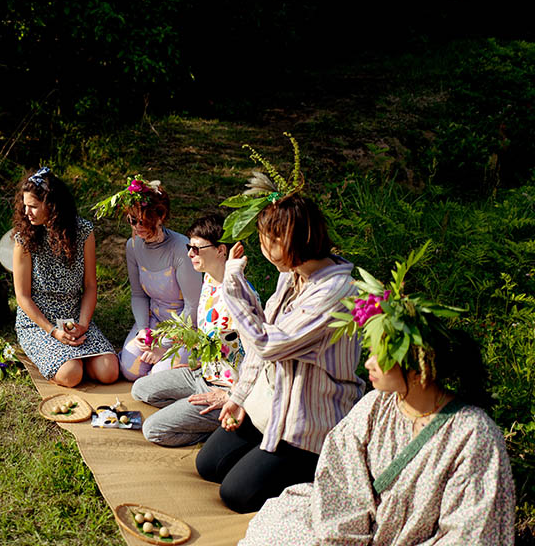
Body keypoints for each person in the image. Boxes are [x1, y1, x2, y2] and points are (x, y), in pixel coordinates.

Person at [238, 271, 515, 545]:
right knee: (276, 522)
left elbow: (470, 531)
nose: (368, 363)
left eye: (380, 356)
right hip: (355, 533)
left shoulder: (473, 435)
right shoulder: (375, 405)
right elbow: (339, 479)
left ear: (419, 368)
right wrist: (347, 538)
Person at [195, 194, 364, 513]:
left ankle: (312, 465)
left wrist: (231, 284)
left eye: (267, 240)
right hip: (271, 403)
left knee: (235, 494)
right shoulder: (294, 273)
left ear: (290, 241)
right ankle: (263, 452)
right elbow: (264, 323)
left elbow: (268, 344)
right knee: (208, 465)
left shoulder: (336, 292)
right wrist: (240, 396)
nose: (262, 247)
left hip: (307, 420)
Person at [131, 214, 246, 446]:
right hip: (201, 373)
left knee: (153, 430)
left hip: (226, 388)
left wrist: (232, 396)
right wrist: (195, 362)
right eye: (189, 247)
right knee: (140, 389)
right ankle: (189, 411)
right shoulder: (209, 281)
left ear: (221, 251)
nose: (190, 253)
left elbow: (258, 357)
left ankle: (219, 429)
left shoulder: (240, 297)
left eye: (197, 248)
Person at [13, 167, 119, 387]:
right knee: (71, 375)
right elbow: (22, 297)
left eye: (33, 206)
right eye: (25, 205)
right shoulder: (24, 239)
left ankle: (78, 361)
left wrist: (83, 324)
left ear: (51, 206)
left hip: (74, 318)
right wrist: (52, 332)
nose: (27, 212)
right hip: (39, 323)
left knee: (109, 372)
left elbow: (90, 286)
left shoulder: (83, 232)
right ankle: (71, 363)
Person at [94, 176, 203, 380]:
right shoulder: (132, 246)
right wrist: (143, 330)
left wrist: (166, 346)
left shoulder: (181, 249)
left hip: (185, 326)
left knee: (159, 377)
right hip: (154, 320)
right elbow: (138, 295)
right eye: (132, 221)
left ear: (160, 217)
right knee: (129, 370)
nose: (137, 227)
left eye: (144, 221)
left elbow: (193, 306)